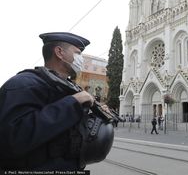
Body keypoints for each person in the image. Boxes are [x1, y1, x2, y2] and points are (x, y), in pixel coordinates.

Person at [0, 32, 113, 170]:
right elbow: (12, 139)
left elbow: (69, 130)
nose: (81, 59)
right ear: (59, 52)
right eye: (78, 53)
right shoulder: (24, 84)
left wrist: (97, 116)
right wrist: (72, 103)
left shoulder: (71, 88)